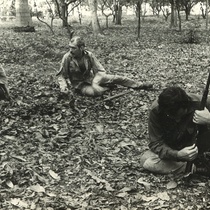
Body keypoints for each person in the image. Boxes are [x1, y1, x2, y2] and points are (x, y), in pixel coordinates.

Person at [140, 86, 210, 176]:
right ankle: (197, 169)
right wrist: (177, 154)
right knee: (146, 160)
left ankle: (190, 166)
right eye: (172, 117)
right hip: (175, 150)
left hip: (203, 147)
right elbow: (156, 143)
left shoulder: (202, 103)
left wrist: (209, 119)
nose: (177, 120)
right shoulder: (157, 110)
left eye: (181, 116)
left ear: (187, 106)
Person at [56, 36, 152, 97]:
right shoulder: (67, 57)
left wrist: (95, 82)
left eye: (73, 48)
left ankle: (139, 85)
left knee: (118, 78)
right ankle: (107, 88)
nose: (71, 50)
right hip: (80, 84)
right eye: (69, 47)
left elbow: (100, 70)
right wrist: (63, 87)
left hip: (92, 79)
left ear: (81, 48)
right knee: (94, 93)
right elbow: (61, 75)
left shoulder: (89, 55)